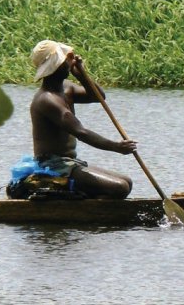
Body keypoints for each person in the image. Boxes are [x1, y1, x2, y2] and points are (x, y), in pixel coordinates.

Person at [29, 40, 136, 199]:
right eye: (65, 60)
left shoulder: (66, 87)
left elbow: (98, 97)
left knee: (127, 182)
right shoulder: (47, 100)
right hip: (54, 166)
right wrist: (116, 147)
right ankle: (73, 201)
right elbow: (81, 132)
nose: (69, 62)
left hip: (70, 163)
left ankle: (83, 200)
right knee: (120, 188)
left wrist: (82, 75)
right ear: (55, 66)